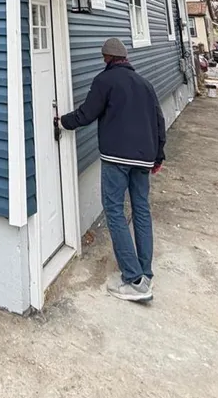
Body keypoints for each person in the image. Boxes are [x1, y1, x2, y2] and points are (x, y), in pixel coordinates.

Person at [58, 37, 166, 303]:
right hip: (144, 157)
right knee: (141, 210)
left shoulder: (105, 81)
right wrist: (158, 156)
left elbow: (87, 113)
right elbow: (158, 120)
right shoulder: (145, 84)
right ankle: (145, 272)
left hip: (117, 157)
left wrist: (62, 122)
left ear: (106, 57)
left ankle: (134, 280)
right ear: (125, 57)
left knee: (115, 211)